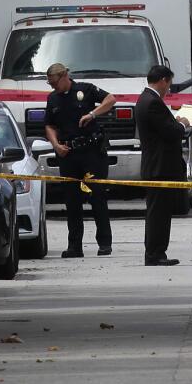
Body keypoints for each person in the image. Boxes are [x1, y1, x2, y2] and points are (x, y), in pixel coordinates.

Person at [44, 63, 116, 258]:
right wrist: (56, 146)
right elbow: (49, 125)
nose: (53, 87)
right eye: (50, 84)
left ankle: (104, 243)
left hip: (91, 152)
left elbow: (111, 99)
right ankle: (75, 246)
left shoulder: (85, 89)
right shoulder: (53, 99)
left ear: (65, 75)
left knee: (97, 196)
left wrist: (92, 114)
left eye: (54, 83)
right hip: (68, 154)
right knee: (71, 201)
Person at [135, 65, 191, 266]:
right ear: (163, 80)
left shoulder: (146, 99)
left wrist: (180, 125)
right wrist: (183, 123)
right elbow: (170, 132)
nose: (169, 89)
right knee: (158, 213)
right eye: (169, 84)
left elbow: (163, 129)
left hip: (156, 165)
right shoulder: (152, 103)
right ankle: (155, 253)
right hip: (159, 167)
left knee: (158, 211)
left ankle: (156, 251)